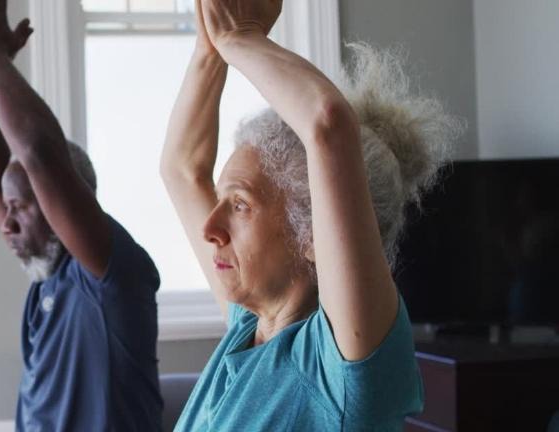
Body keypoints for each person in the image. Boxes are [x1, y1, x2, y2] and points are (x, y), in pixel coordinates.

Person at [160, 0, 462, 430]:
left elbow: (328, 124)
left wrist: (239, 39)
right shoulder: (248, 324)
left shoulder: (339, 367)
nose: (210, 228)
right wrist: (210, 47)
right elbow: (182, 169)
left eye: (240, 205)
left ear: (312, 234)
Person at [0, 0, 163, 430]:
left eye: (21, 207)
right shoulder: (46, 271)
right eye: (8, 208)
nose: (6, 222)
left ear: (65, 200)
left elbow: (39, 154)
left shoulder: (108, 277)